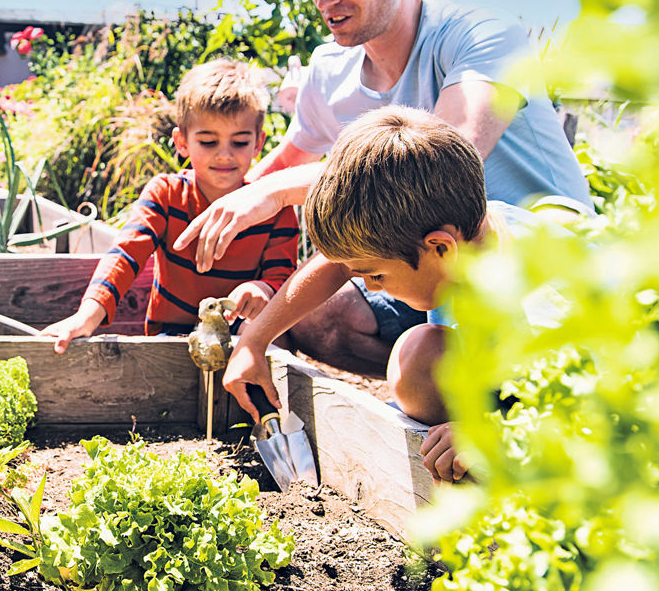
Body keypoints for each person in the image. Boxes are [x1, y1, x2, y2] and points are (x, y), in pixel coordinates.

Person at [174, 0, 591, 373]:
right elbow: (276, 173)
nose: (325, 1)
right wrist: (175, 215)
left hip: (530, 267)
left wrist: (273, 192)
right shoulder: (330, 71)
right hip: (417, 263)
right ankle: (433, 385)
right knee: (318, 318)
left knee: (414, 349)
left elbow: (442, 165)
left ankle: (472, 389)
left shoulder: (482, 38)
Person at [224, 106, 572, 482]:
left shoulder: (541, 303)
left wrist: (495, 432)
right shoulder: (461, 234)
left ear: (440, 249)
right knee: (418, 357)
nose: (368, 285)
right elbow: (341, 263)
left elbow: (606, 411)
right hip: (509, 375)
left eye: (375, 275)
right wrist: (254, 342)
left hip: (578, 414)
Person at [41, 59, 299, 351]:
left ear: (258, 143)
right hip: (171, 337)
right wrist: (87, 315)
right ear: (182, 142)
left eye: (239, 142)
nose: (225, 155)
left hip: (243, 337)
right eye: (208, 142)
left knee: (275, 343)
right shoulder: (167, 194)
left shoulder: (275, 210)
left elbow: (283, 279)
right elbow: (125, 254)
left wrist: (261, 288)